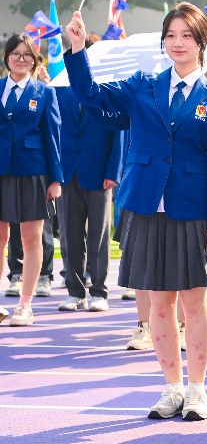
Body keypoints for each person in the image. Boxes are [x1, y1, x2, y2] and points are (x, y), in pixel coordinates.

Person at [65, 4, 207, 420]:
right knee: (159, 305)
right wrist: (77, 50)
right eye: (171, 35)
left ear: (201, 43)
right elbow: (89, 94)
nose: (178, 43)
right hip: (147, 205)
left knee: (193, 303)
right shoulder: (142, 85)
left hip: (193, 210)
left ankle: (197, 389)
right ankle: (172, 387)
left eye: (187, 36)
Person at [0, 34, 62, 326]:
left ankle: (25, 305)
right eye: (16, 53)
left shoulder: (44, 93)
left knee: (31, 238)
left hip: (33, 172)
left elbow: (53, 137)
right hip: (1, 172)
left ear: (35, 60)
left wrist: (56, 179)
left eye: (27, 55)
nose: (21, 59)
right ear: (7, 57)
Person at [55, 74, 125, 312]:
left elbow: (118, 133)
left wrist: (114, 172)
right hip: (67, 173)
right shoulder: (61, 93)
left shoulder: (107, 94)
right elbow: (53, 132)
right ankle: (75, 292)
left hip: (100, 174)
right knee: (70, 235)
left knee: (99, 236)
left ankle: (99, 292)